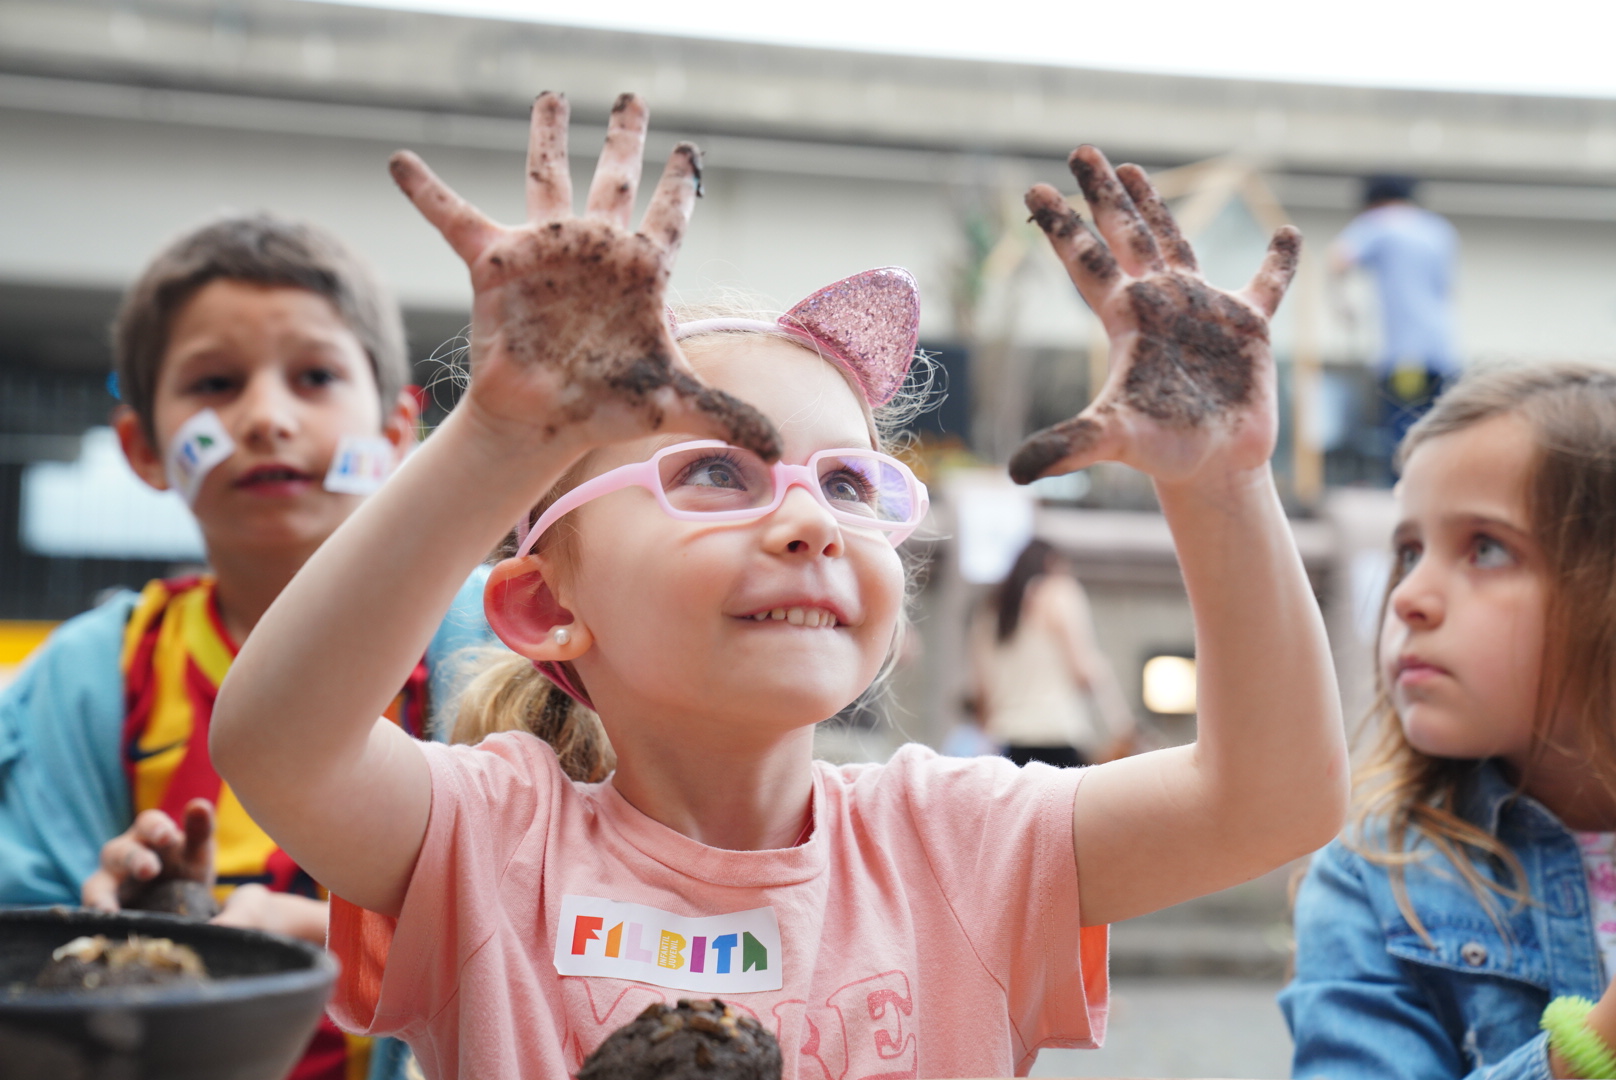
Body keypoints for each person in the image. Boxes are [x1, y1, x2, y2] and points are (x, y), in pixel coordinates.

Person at [209, 92, 1347, 1080]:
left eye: (850, 483)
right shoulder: (488, 841)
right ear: (547, 606)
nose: (807, 518)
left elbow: (1274, 803)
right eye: (716, 471)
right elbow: (278, 743)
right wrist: (499, 437)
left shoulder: (955, 840)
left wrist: (1220, 486)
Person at [0, 214, 494, 1080]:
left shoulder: (500, 643)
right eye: (216, 383)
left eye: (315, 377)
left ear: (394, 433)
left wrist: (371, 950)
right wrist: (123, 929)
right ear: (143, 449)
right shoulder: (84, 683)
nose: (265, 418)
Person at [1282, 364, 1616, 1079]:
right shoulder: (1370, 879)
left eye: (1485, 548)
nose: (1408, 597)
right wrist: (1590, 1051)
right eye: (1408, 552)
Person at [971, 538, 1135, 768]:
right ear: (1052, 564)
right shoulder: (1058, 593)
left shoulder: (989, 613)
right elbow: (1083, 672)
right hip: (1056, 734)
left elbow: (982, 692)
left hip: (1005, 742)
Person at [1330, 174, 1461, 460]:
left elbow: (1339, 259)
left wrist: (1343, 303)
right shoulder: (1438, 229)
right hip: (1441, 350)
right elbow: (1447, 288)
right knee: (1437, 429)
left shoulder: (1378, 222)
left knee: (1404, 432)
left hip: (1406, 352)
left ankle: (1405, 494)